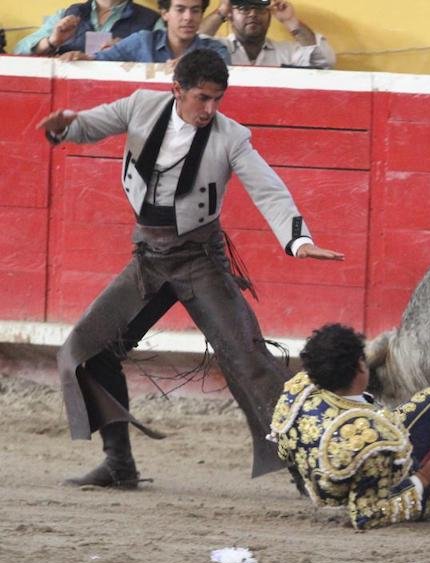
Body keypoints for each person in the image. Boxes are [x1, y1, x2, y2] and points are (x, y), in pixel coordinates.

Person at [36, 48, 344, 489]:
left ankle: (308, 470)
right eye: (202, 98)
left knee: (249, 360)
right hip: (149, 258)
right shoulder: (142, 106)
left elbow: (269, 189)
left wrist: (299, 240)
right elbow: (89, 125)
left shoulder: (231, 136)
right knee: (88, 349)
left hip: (199, 260)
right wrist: (64, 127)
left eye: (217, 99)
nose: (210, 109)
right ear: (177, 89)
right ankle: (119, 464)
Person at [269, 324, 430, 530]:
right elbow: (366, 515)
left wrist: (314, 478)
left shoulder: (301, 387)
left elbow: (283, 448)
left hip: (365, 459)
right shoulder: (371, 441)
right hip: (399, 490)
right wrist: (426, 477)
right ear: (361, 367)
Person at [61, 0, 229, 63]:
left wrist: (193, 65)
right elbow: (100, 59)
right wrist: (80, 57)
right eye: (180, 9)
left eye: (195, 11)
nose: (188, 17)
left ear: (201, 15)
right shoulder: (143, 41)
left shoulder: (216, 50)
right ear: (165, 13)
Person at [198, 0, 335, 68]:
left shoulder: (286, 53)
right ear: (230, 14)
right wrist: (221, 11)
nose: (253, 14)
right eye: (244, 8)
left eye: (260, 9)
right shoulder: (216, 50)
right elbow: (191, 46)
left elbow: (324, 60)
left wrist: (290, 20)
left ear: (270, 15)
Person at [14, 0, 160, 57]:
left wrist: (129, 49)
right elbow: (19, 51)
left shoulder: (152, 20)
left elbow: (165, 61)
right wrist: (52, 41)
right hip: (67, 92)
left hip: (124, 97)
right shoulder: (67, 14)